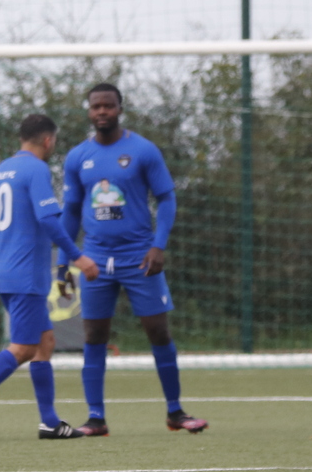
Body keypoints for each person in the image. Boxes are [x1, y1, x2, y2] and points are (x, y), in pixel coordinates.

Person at [62, 83, 206, 435]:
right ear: (89, 111)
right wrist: (66, 260)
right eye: (96, 106)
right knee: (94, 334)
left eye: (108, 106)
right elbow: (70, 211)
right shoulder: (78, 157)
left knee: (157, 330)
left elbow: (166, 198)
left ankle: (175, 412)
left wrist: (159, 245)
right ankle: (96, 418)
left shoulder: (143, 150)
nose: (102, 112)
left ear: (120, 109)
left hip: (139, 257)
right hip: (95, 261)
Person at [0, 114, 101, 440]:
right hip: (26, 272)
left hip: (5, 270)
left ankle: (50, 422)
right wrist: (78, 256)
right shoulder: (37, 169)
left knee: (45, 343)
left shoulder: (1, 170)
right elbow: (48, 219)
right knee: (24, 348)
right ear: (48, 140)